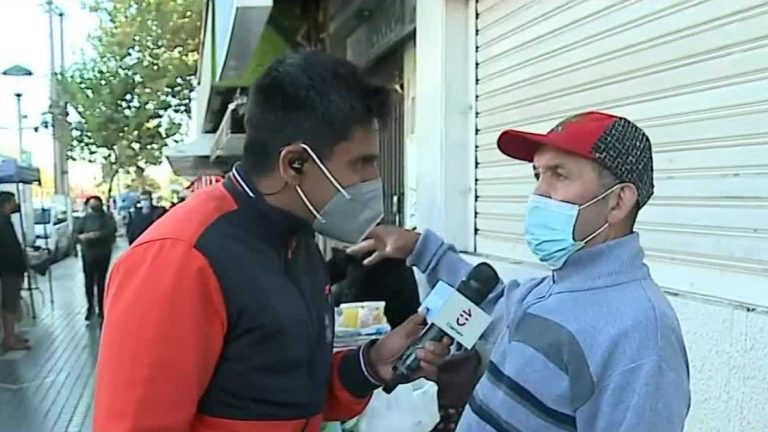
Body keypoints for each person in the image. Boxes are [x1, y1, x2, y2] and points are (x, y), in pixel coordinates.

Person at [93, 51, 450, 432]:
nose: (373, 179)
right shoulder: (181, 257)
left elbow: (282, 392)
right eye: (361, 163)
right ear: (294, 164)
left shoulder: (298, 241)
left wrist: (371, 364)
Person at [351, 112, 691, 431]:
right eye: (538, 175)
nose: (538, 193)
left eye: (559, 174)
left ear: (617, 202)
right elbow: (484, 308)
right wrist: (418, 249)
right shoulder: (544, 292)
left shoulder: (642, 335)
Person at [76, 195, 116, 321]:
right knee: (88, 282)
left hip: (103, 253)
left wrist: (95, 235)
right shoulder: (85, 219)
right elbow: (75, 233)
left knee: (101, 282)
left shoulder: (107, 218)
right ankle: (90, 307)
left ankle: (101, 308)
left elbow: (111, 231)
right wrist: (81, 238)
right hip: (88, 254)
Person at [0, 191, 30, 351]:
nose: (15, 204)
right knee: (9, 306)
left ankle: (11, 334)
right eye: (13, 202)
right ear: (7, 203)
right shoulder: (3, 223)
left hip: (10, 270)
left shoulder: (6, 221)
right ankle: (9, 339)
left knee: (12, 304)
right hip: (10, 271)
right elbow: (9, 249)